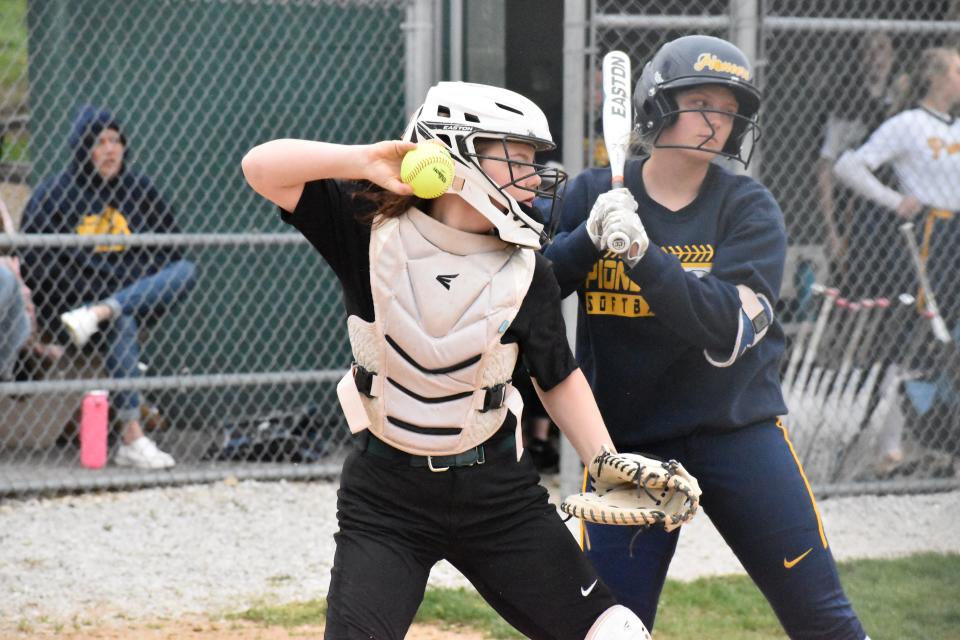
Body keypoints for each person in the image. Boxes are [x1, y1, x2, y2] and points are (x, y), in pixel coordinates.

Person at [242, 81, 654, 639]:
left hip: (497, 496)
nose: (534, 180)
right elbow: (260, 167)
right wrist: (362, 159)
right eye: (518, 159)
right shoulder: (369, 231)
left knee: (614, 634)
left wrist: (606, 463)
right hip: (385, 498)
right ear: (456, 154)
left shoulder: (527, 270)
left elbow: (558, 378)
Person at [545, 35, 870, 638]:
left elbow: (723, 325)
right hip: (627, 447)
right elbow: (531, 297)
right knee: (614, 628)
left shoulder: (749, 206)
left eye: (728, 110)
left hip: (737, 433)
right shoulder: (594, 195)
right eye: (699, 102)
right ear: (656, 107)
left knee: (821, 617)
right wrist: (583, 242)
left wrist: (643, 254)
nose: (715, 123)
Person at [20, 105, 197, 469]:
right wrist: (98, 288)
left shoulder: (140, 191)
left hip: (113, 306)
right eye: (99, 142)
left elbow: (171, 250)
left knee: (185, 270)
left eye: (115, 140)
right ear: (83, 148)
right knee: (123, 320)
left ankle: (106, 308)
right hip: (70, 314)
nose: (110, 149)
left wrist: (110, 296)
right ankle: (131, 437)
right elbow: (39, 267)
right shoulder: (54, 194)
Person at [834, 47, 960, 470]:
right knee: (911, 334)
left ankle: (940, 434)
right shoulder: (909, 124)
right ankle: (890, 446)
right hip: (928, 235)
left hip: (957, 232)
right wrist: (895, 200)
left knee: (950, 338)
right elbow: (849, 166)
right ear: (938, 78)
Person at [816, 32, 907, 273]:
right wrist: (831, 230)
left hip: (899, 201)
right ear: (860, 57)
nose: (878, 57)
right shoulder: (846, 103)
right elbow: (825, 166)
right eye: (870, 50)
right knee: (859, 276)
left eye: (883, 49)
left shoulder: (903, 99)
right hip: (858, 208)